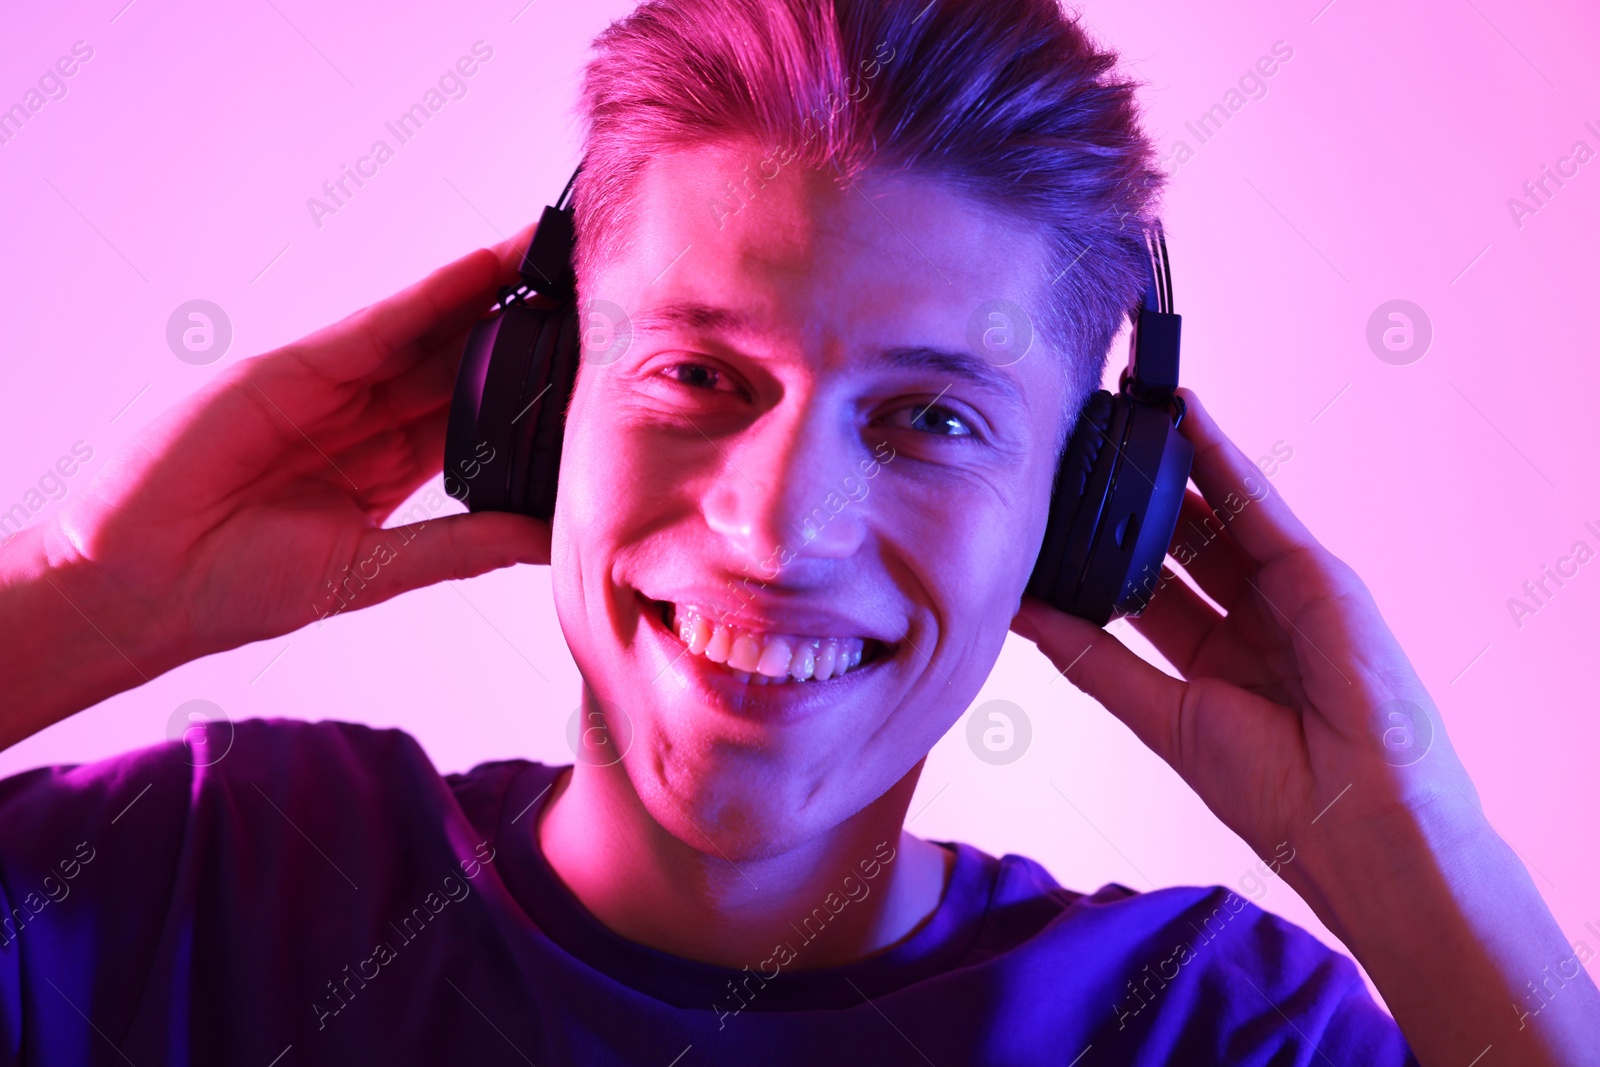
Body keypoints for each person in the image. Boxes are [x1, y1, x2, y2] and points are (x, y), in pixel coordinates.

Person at [1, 0, 1595, 1063]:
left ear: (1084, 512)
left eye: (928, 419)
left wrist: (1409, 862)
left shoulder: (1206, 1032)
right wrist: (82, 601)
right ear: (539, 402)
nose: (778, 527)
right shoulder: (194, 880)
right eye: (696, 372)